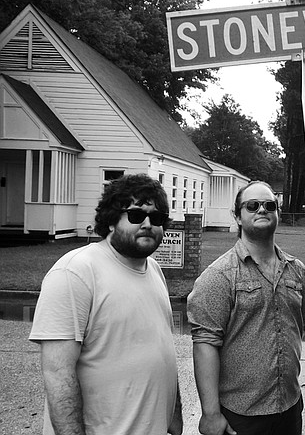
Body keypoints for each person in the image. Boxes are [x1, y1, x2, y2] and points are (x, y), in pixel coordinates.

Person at [29, 173, 183, 435]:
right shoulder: (75, 272)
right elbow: (57, 374)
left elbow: (161, 351)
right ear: (112, 220)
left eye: (156, 218)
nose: (147, 224)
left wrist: (175, 418)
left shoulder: (154, 270)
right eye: (135, 215)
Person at [188, 180, 305, 435]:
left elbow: (302, 323)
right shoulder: (220, 275)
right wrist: (210, 413)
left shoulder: (297, 271)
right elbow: (205, 344)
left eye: (269, 205)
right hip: (241, 416)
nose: (262, 210)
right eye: (252, 205)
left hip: (289, 407)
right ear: (237, 216)